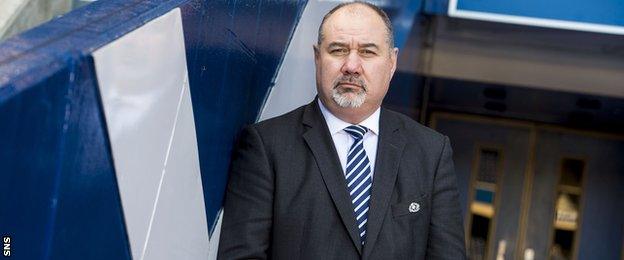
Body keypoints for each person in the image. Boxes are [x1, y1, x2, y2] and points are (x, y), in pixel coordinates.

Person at [218, 2, 466, 259]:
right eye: (338, 50)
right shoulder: (266, 146)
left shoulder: (431, 152)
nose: (351, 66)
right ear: (317, 58)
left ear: (391, 62)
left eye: (368, 52)